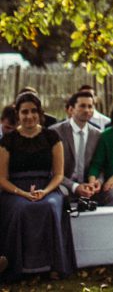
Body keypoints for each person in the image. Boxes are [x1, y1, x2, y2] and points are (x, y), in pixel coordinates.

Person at [0, 92, 76, 281]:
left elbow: (58, 174)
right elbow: (1, 178)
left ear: (40, 113)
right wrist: (22, 193)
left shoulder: (52, 137)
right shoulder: (8, 140)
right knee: (22, 208)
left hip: (47, 187)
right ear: (18, 114)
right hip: (15, 189)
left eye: (34, 111)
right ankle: (20, 267)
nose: (29, 116)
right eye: (24, 112)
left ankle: (53, 265)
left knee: (49, 206)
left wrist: (46, 191)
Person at [50, 91, 113, 206]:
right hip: (65, 186)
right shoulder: (55, 132)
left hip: (90, 187)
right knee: (61, 194)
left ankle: (106, 224)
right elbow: (52, 170)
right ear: (71, 109)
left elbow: (101, 165)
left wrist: (98, 181)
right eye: (82, 106)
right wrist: (75, 187)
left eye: (90, 106)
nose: (87, 110)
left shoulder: (98, 135)